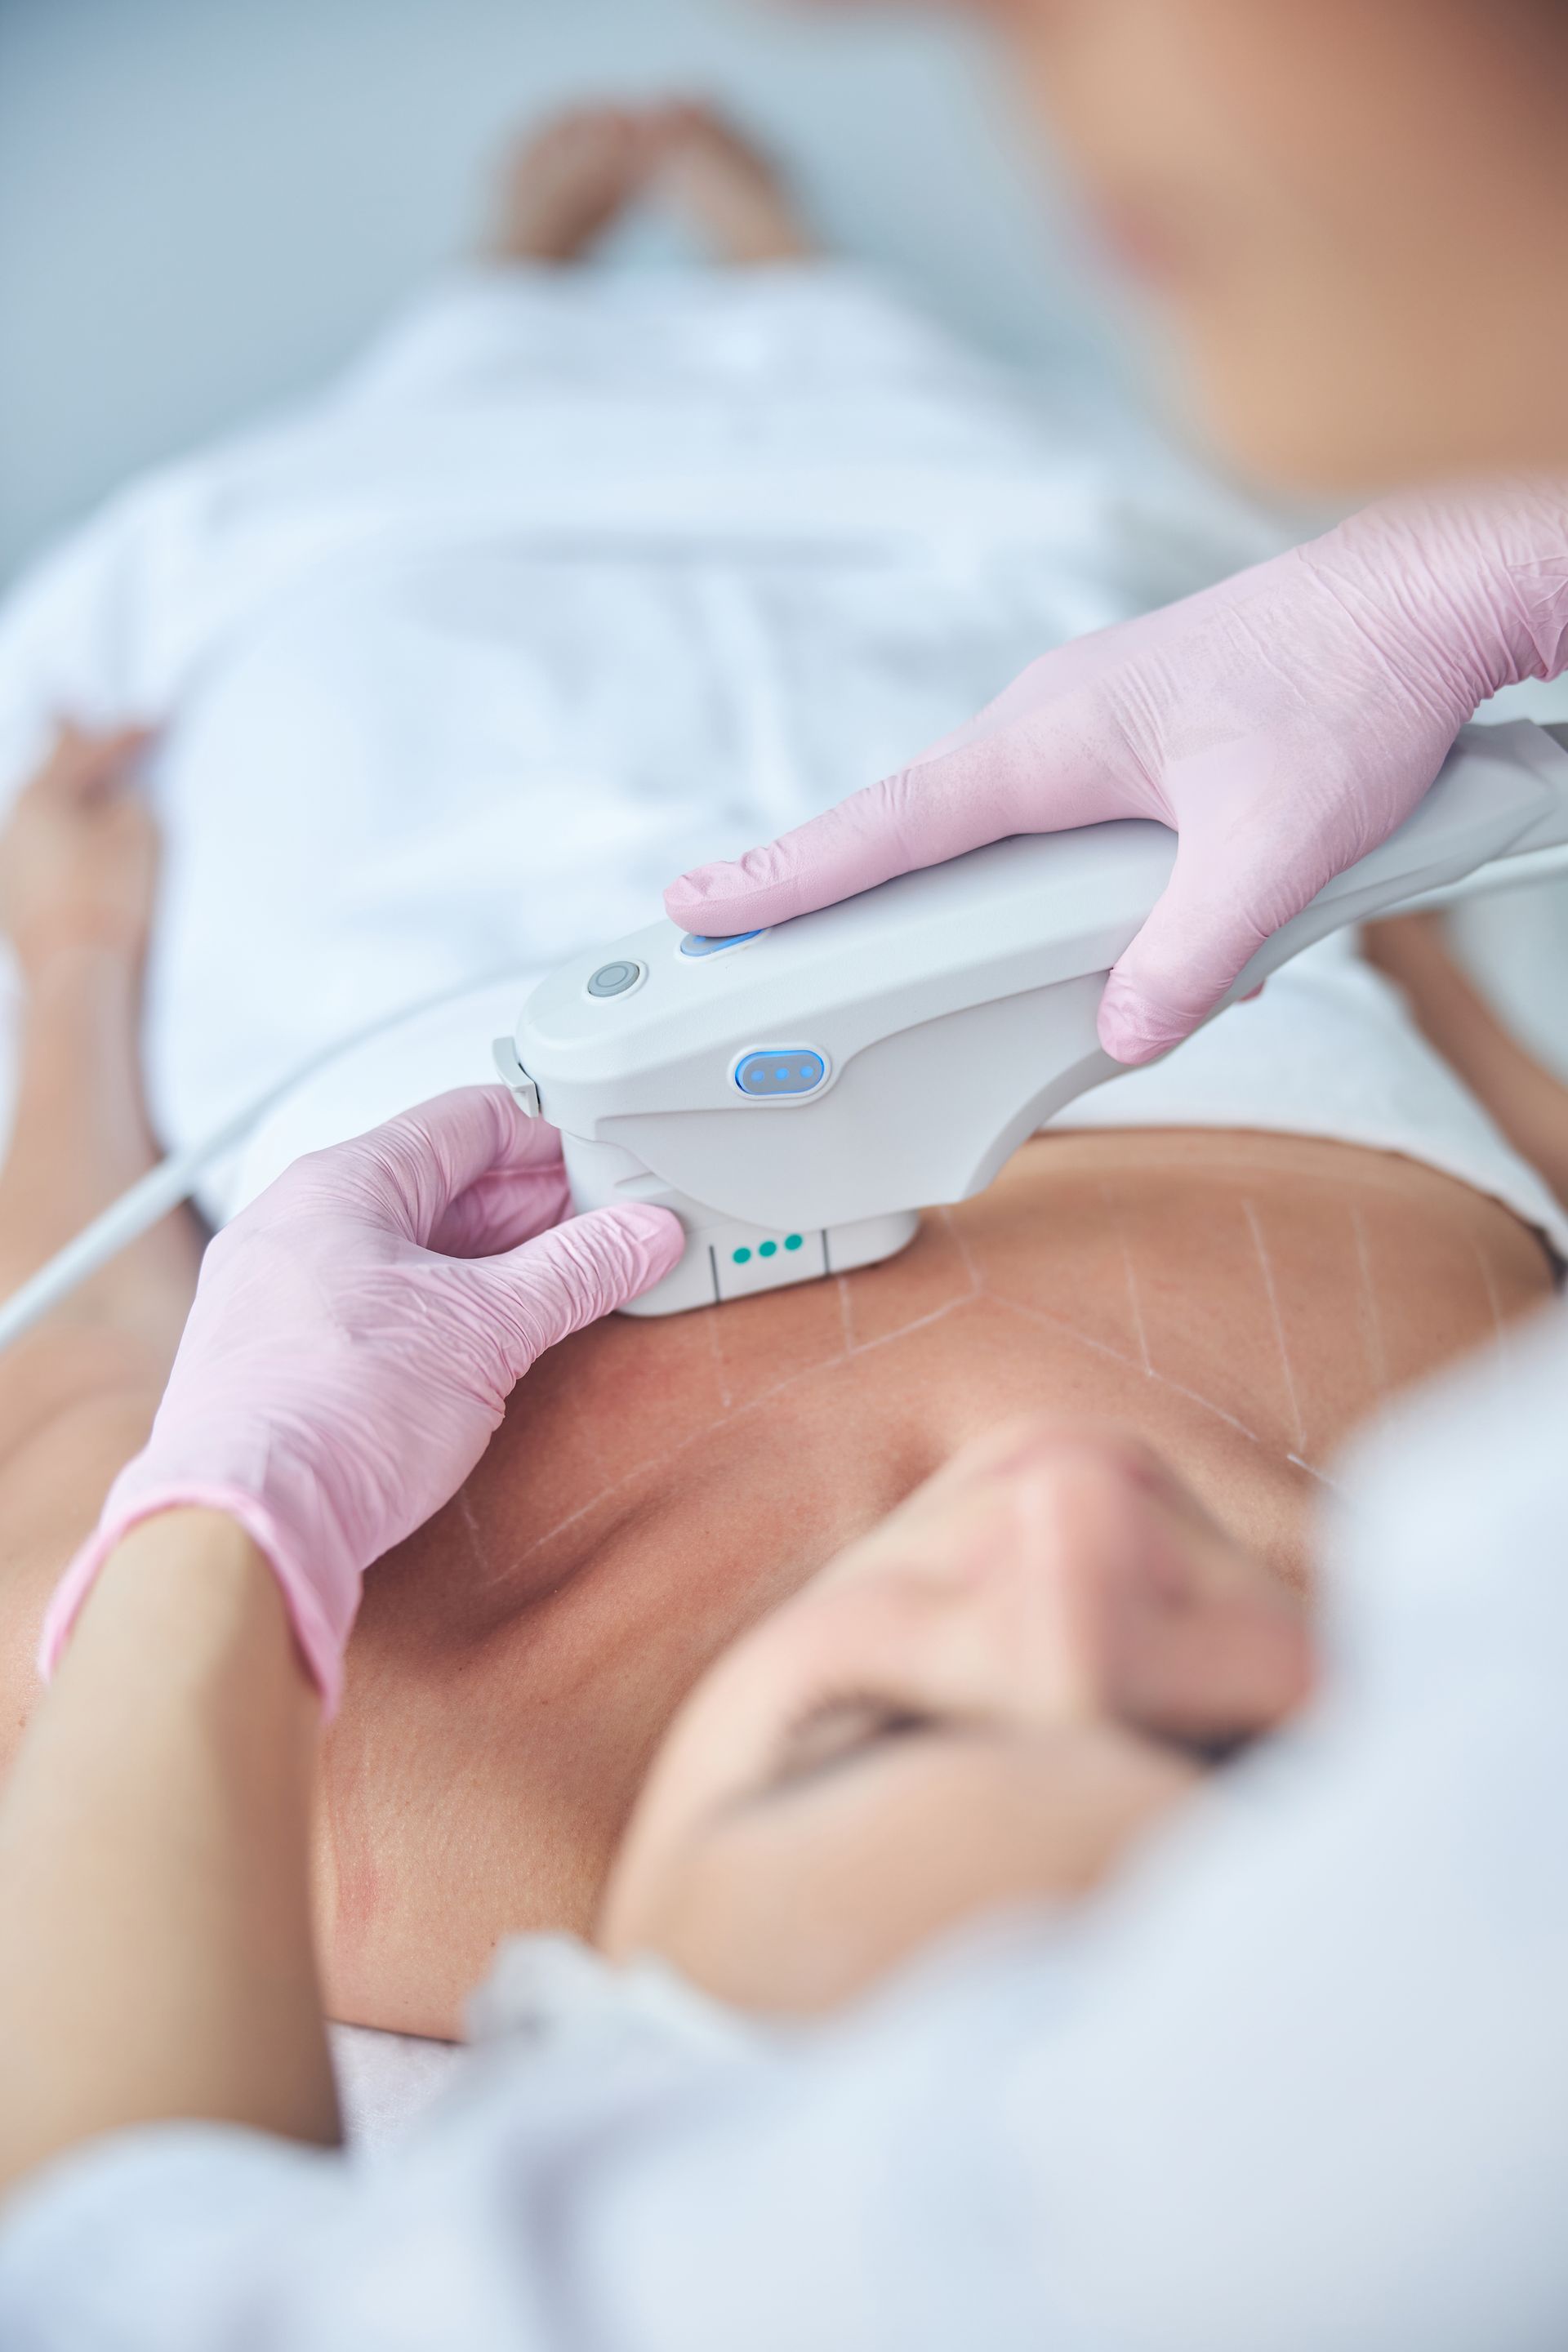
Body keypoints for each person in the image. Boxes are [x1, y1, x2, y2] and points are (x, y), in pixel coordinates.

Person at [3, 24, 1568, 2347]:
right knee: (1012, 491)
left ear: (589, 1993)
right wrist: (1421, 868)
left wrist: (73, 963)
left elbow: (85, 1355)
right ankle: (781, 253)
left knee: (418, 504)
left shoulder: (308, 1822)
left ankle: (511, 266)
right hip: (1163, 902)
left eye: (870, 1734)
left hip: (454, 903)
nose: (1062, 1527)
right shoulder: (1487, 1655)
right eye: (1229, 1742)